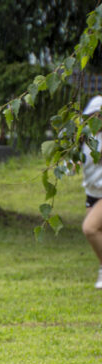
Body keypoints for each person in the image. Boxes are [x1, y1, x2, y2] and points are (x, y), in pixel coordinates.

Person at [79, 95, 102, 289]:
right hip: (91, 193)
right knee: (98, 232)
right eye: (91, 116)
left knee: (90, 229)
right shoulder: (86, 138)